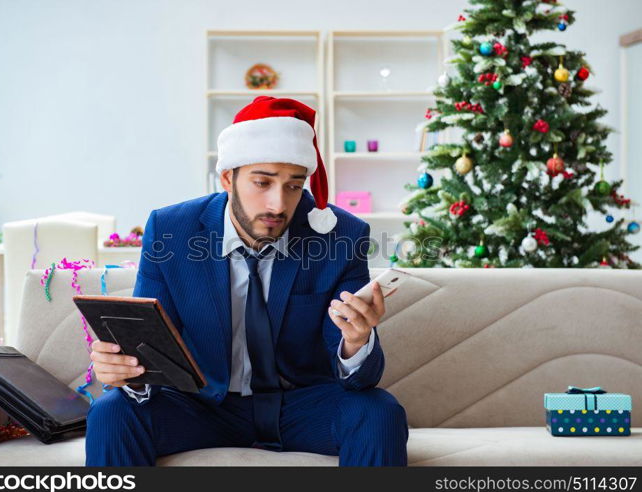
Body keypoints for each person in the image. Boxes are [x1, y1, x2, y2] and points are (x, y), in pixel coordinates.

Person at [85, 95, 408, 466]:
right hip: (202, 404)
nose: (278, 204)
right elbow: (150, 345)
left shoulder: (342, 235)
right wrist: (128, 372)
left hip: (300, 405)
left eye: (293, 185)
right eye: (262, 182)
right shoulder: (170, 229)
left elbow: (358, 380)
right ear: (227, 178)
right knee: (113, 412)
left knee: (379, 411)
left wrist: (356, 341)